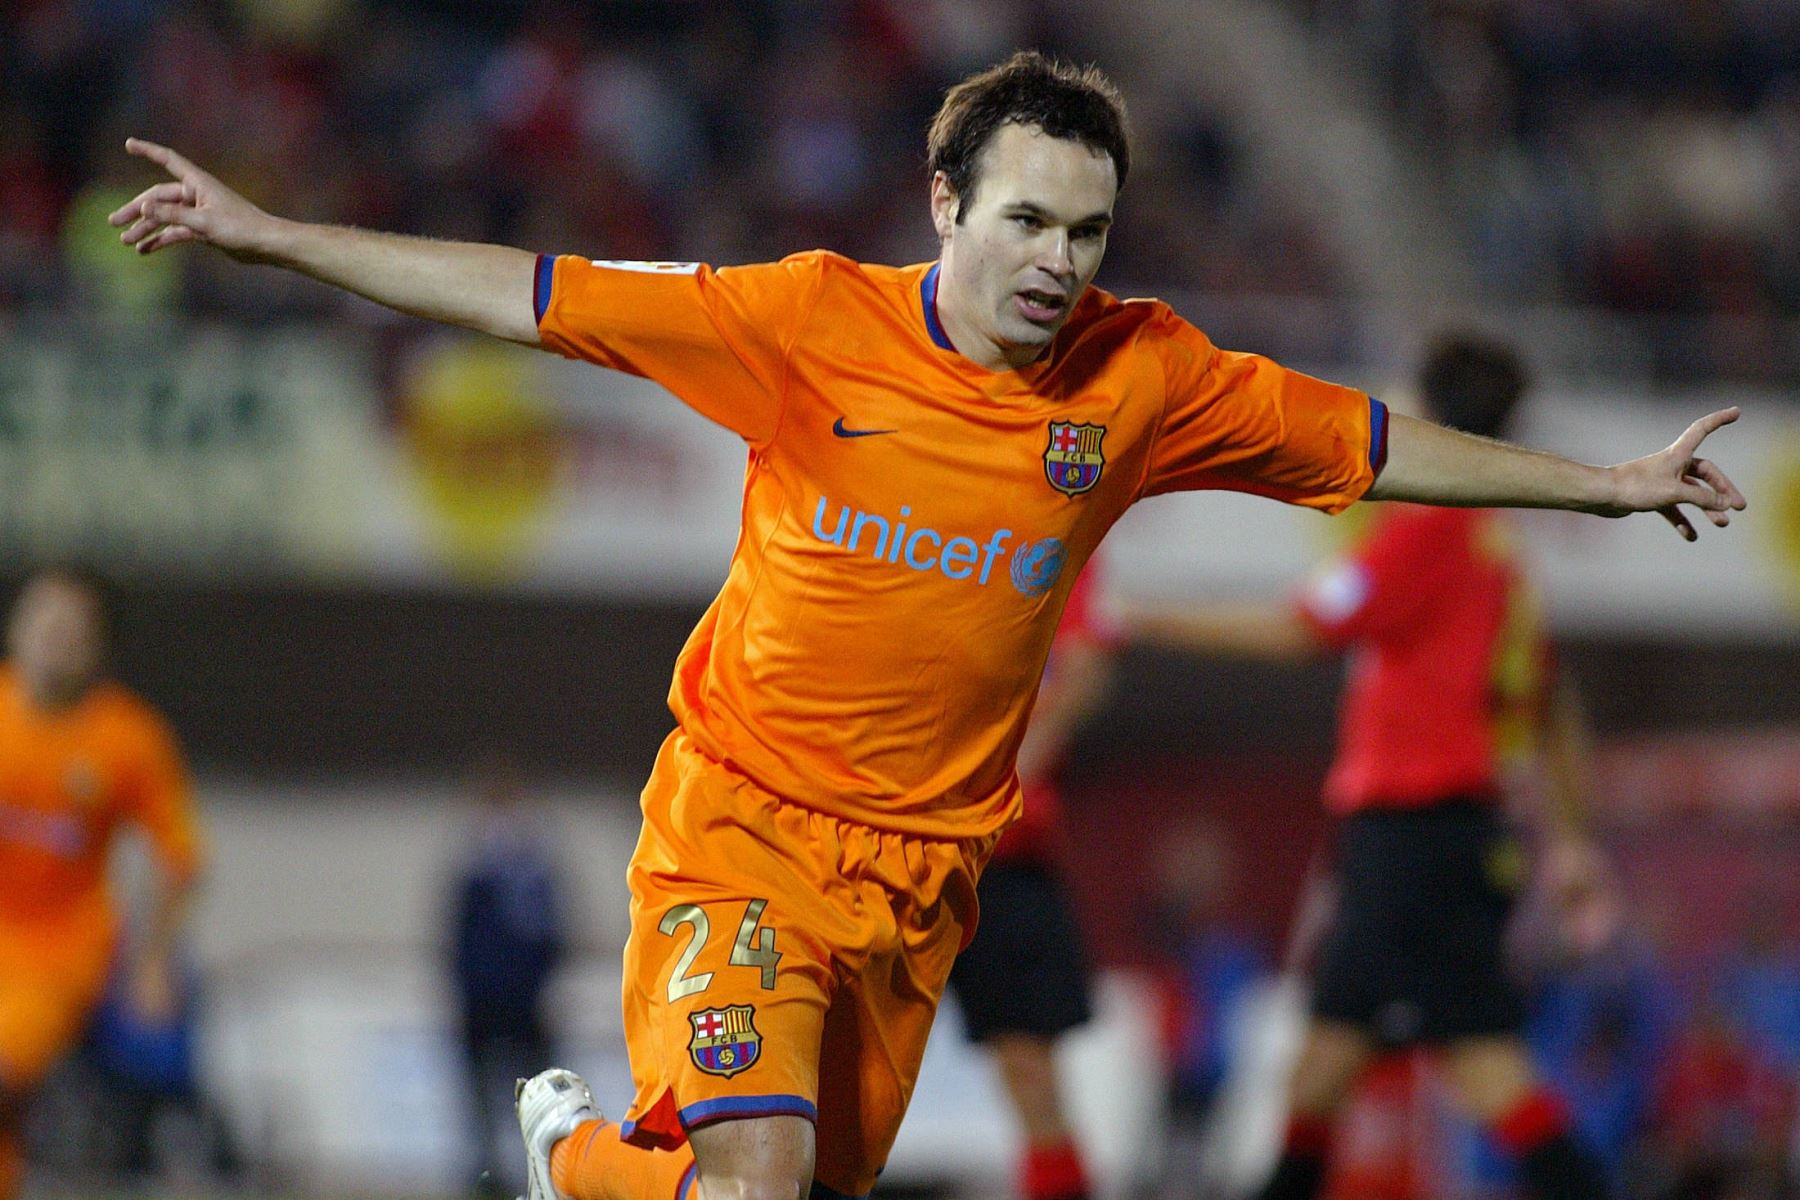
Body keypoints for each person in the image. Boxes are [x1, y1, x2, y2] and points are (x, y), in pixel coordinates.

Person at [108, 50, 1744, 1200]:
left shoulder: (1146, 375)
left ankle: (596, 1171)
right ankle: (579, 1160)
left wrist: (1600, 486)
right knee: (747, 1182)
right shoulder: (807, 320)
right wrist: (274, 235)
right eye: (1026, 220)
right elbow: (531, 293)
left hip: (923, 880)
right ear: (945, 202)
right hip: (741, 826)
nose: (1056, 262)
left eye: (1087, 232)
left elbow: (1370, 446)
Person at [1131, 333, 1615, 1200]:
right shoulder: (1494, 553)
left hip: (1417, 834)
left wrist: (1141, 618)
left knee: (1472, 1068)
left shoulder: (1428, 530)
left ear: (1426, 414)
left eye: (1400, 392)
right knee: (1334, 1067)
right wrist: (1572, 841)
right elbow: (1551, 702)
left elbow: (1306, 628)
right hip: (1440, 834)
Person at [0, 569, 205, 1200]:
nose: (56, 637)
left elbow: (180, 856)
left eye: (73, 628)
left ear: (96, 649)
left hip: (59, 948)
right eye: (44, 620)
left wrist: (151, 959)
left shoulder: (127, 737)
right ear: (15, 628)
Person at [945, 559, 1116, 1200]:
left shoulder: (1059, 541)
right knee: (848, 1059)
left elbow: (1086, 666)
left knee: (1029, 1070)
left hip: (1004, 862)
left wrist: (1007, 784)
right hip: (898, 850)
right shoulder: (923, 527)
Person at [448, 752, 568, 1199]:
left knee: (536, 1099)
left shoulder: (527, 872)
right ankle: (490, 1174)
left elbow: (549, 939)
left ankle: (539, 1173)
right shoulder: (479, 870)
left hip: (519, 1004)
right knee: (484, 1101)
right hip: (486, 1003)